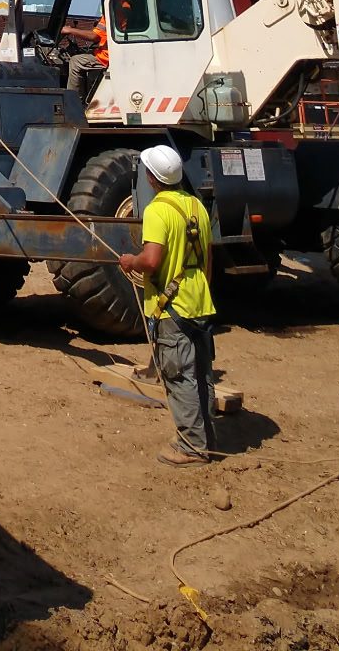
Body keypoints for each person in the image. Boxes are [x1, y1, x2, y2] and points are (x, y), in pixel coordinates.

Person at [117, 143, 218, 464]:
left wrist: (131, 261)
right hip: (199, 300)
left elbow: (152, 259)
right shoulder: (197, 207)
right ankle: (208, 439)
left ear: (151, 178)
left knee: (178, 375)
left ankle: (192, 447)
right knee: (202, 373)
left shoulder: (157, 211)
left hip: (170, 305)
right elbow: (208, 259)